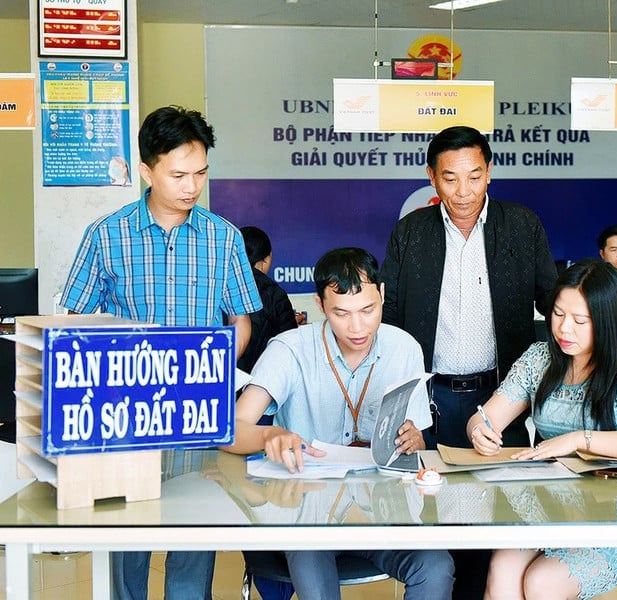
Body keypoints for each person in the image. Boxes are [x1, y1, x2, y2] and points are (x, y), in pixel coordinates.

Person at [59, 105, 263, 600]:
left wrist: (211, 369)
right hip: (128, 419)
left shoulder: (224, 239)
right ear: (147, 171)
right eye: (178, 175)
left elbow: (240, 322)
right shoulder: (107, 237)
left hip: (196, 413)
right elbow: (76, 330)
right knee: (128, 539)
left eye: (200, 173)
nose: (192, 186)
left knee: (194, 535)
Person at [381, 125, 557, 599]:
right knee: (436, 516)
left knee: (499, 518)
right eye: (450, 178)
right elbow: (392, 323)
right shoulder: (410, 233)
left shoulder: (521, 226)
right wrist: (406, 406)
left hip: (503, 397)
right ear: (431, 178)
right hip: (432, 401)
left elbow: (552, 300)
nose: (464, 191)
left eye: (474, 176)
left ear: (489, 173)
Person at [221, 247, 454, 600]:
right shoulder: (290, 349)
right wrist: (271, 433)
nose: (357, 327)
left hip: (383, 514)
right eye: (341, 314)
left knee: (435, 567)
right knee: (313, 577)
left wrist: (414, 440)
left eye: (368, 310)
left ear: (383, 295)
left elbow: (417, 437)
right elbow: (229, 431)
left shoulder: (404, 347)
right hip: (308, 518)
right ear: (320, 305)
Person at [468, 258, 617, 600]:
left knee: (541, 583)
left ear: (607, 321)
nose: (565, 329)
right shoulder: (539, 359)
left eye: (581, 321)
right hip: (550, 510)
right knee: (502, 568)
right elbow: (485, 417)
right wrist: (479, 429)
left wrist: (580, 440)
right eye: (558, 315)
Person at [237, 225, 298, 373]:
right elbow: (290, 345)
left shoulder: (221, 286)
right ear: (267, 257)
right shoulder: (274, 294)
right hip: (263, 380)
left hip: (222, 378)